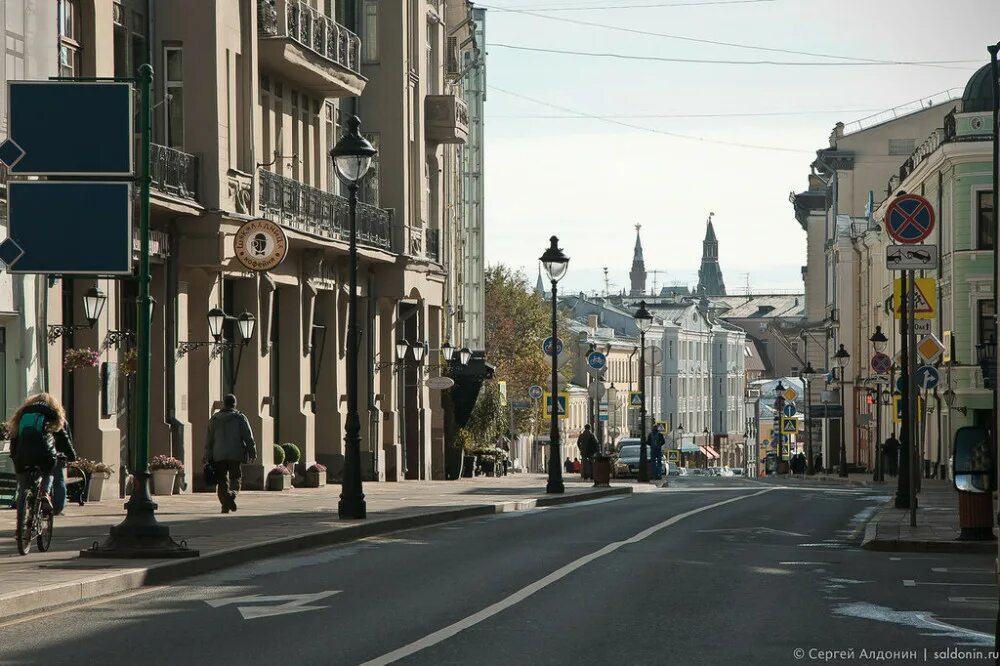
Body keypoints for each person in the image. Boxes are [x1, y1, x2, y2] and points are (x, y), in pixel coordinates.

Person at [8, 393, 76, 513]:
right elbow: (65, 438)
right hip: (49, 455)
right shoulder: (55, 417)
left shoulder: (23, 415)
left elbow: (14, 437)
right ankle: (52, 504)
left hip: (24, 455)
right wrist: (70, 455)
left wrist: (14, 454)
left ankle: (22, 515)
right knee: (55, 478)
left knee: (24, 485)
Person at [205, 394, 257, 514]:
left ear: (224, 404)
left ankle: (225, 505)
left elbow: (209, 439)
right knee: (235, 479)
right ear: (235, 404)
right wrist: (252, 452)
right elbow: (248, 437)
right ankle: (231, 495)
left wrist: (207, 455)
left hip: (218, 455)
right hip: (235, 454)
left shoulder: (214, 419)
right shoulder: (240, 418)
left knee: (222, 481)